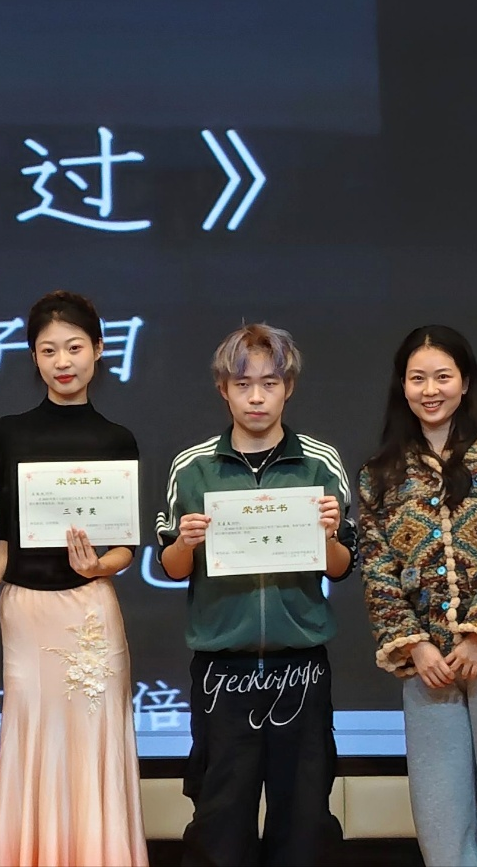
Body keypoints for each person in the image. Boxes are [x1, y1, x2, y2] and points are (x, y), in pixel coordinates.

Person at [155, 323, 355, 867]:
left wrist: (328, 535)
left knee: (304, 816)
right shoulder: (192, 466)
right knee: (221, 815)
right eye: (243, 385)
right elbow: (171, 566)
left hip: (301, 665)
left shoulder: (320, 462)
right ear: (223, 389)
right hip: (223, 667)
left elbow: (341, 567)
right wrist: (186, 543)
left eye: (269, 383)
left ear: (289, 387)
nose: (257, 397)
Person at [359, 326, 477, 867]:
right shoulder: (380, 474)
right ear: (402, 386)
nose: (430, 390)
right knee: (440, 823)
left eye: (442, 376)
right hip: (429, 669)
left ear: (465, 382)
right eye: (417, 378)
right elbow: (378, 572)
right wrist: (415, 645)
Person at [0, 290, 148, 867]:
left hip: (90, 607)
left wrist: (100, 566)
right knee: (32, 737)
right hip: (26, 609)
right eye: (48, 350)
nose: (63, 361)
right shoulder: (5, 434)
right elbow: (3, 536)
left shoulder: (117, 439)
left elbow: (126, 545)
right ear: (33, 357)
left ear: (98, 349)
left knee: (93, 741)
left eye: (74, 347)